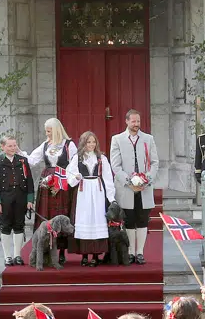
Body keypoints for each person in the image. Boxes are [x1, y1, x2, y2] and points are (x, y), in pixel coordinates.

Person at [108, 109, 159, 265]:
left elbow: (155, 163)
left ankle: (140, 252)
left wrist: (146, 179)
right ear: (127, 121)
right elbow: (115, 166)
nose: (136, 124)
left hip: (144, 187)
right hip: (126, 188)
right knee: (129, 220)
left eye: (138, 121)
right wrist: (129, 182)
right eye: (133, 121)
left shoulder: (148, 139)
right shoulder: (117, 139)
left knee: (143, 219)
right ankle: (130, 252)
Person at [28, 117, 76, 266]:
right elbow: (31, 160)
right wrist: (17, 153)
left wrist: (62, 181)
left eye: (49, 131)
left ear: (56, 130)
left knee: (61, 215)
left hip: (62, 182)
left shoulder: (69, 145)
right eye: (46, 131)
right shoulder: (45, 145)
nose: (47, 134)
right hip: (46, 183)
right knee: (47, 214)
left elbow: (74, 164)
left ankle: (61, 251)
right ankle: (45, 250)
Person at [68, 131, 117, 266]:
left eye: (93, 142)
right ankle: (84, 255)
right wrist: (76, 177)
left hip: (97, 191)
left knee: (97, 218)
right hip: (83, 192)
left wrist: (111, 198)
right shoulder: (77, 158)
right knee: (84, 219)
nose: (91, 144)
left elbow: (108, 178)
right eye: (88, 142)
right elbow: (69, 173)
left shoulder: (101, 158)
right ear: (83, 143)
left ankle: (95, 254)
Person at [0, 134, 33, 266]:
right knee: (5, 226)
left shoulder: (23, 161)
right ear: (3, 147)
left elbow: (29, 181)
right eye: (10, 145)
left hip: (21, 196)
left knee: (19, 225)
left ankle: (17, 255)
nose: (13, 148)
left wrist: (30, 199)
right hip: (4, 198)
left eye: (14, 145)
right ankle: (7, 256)